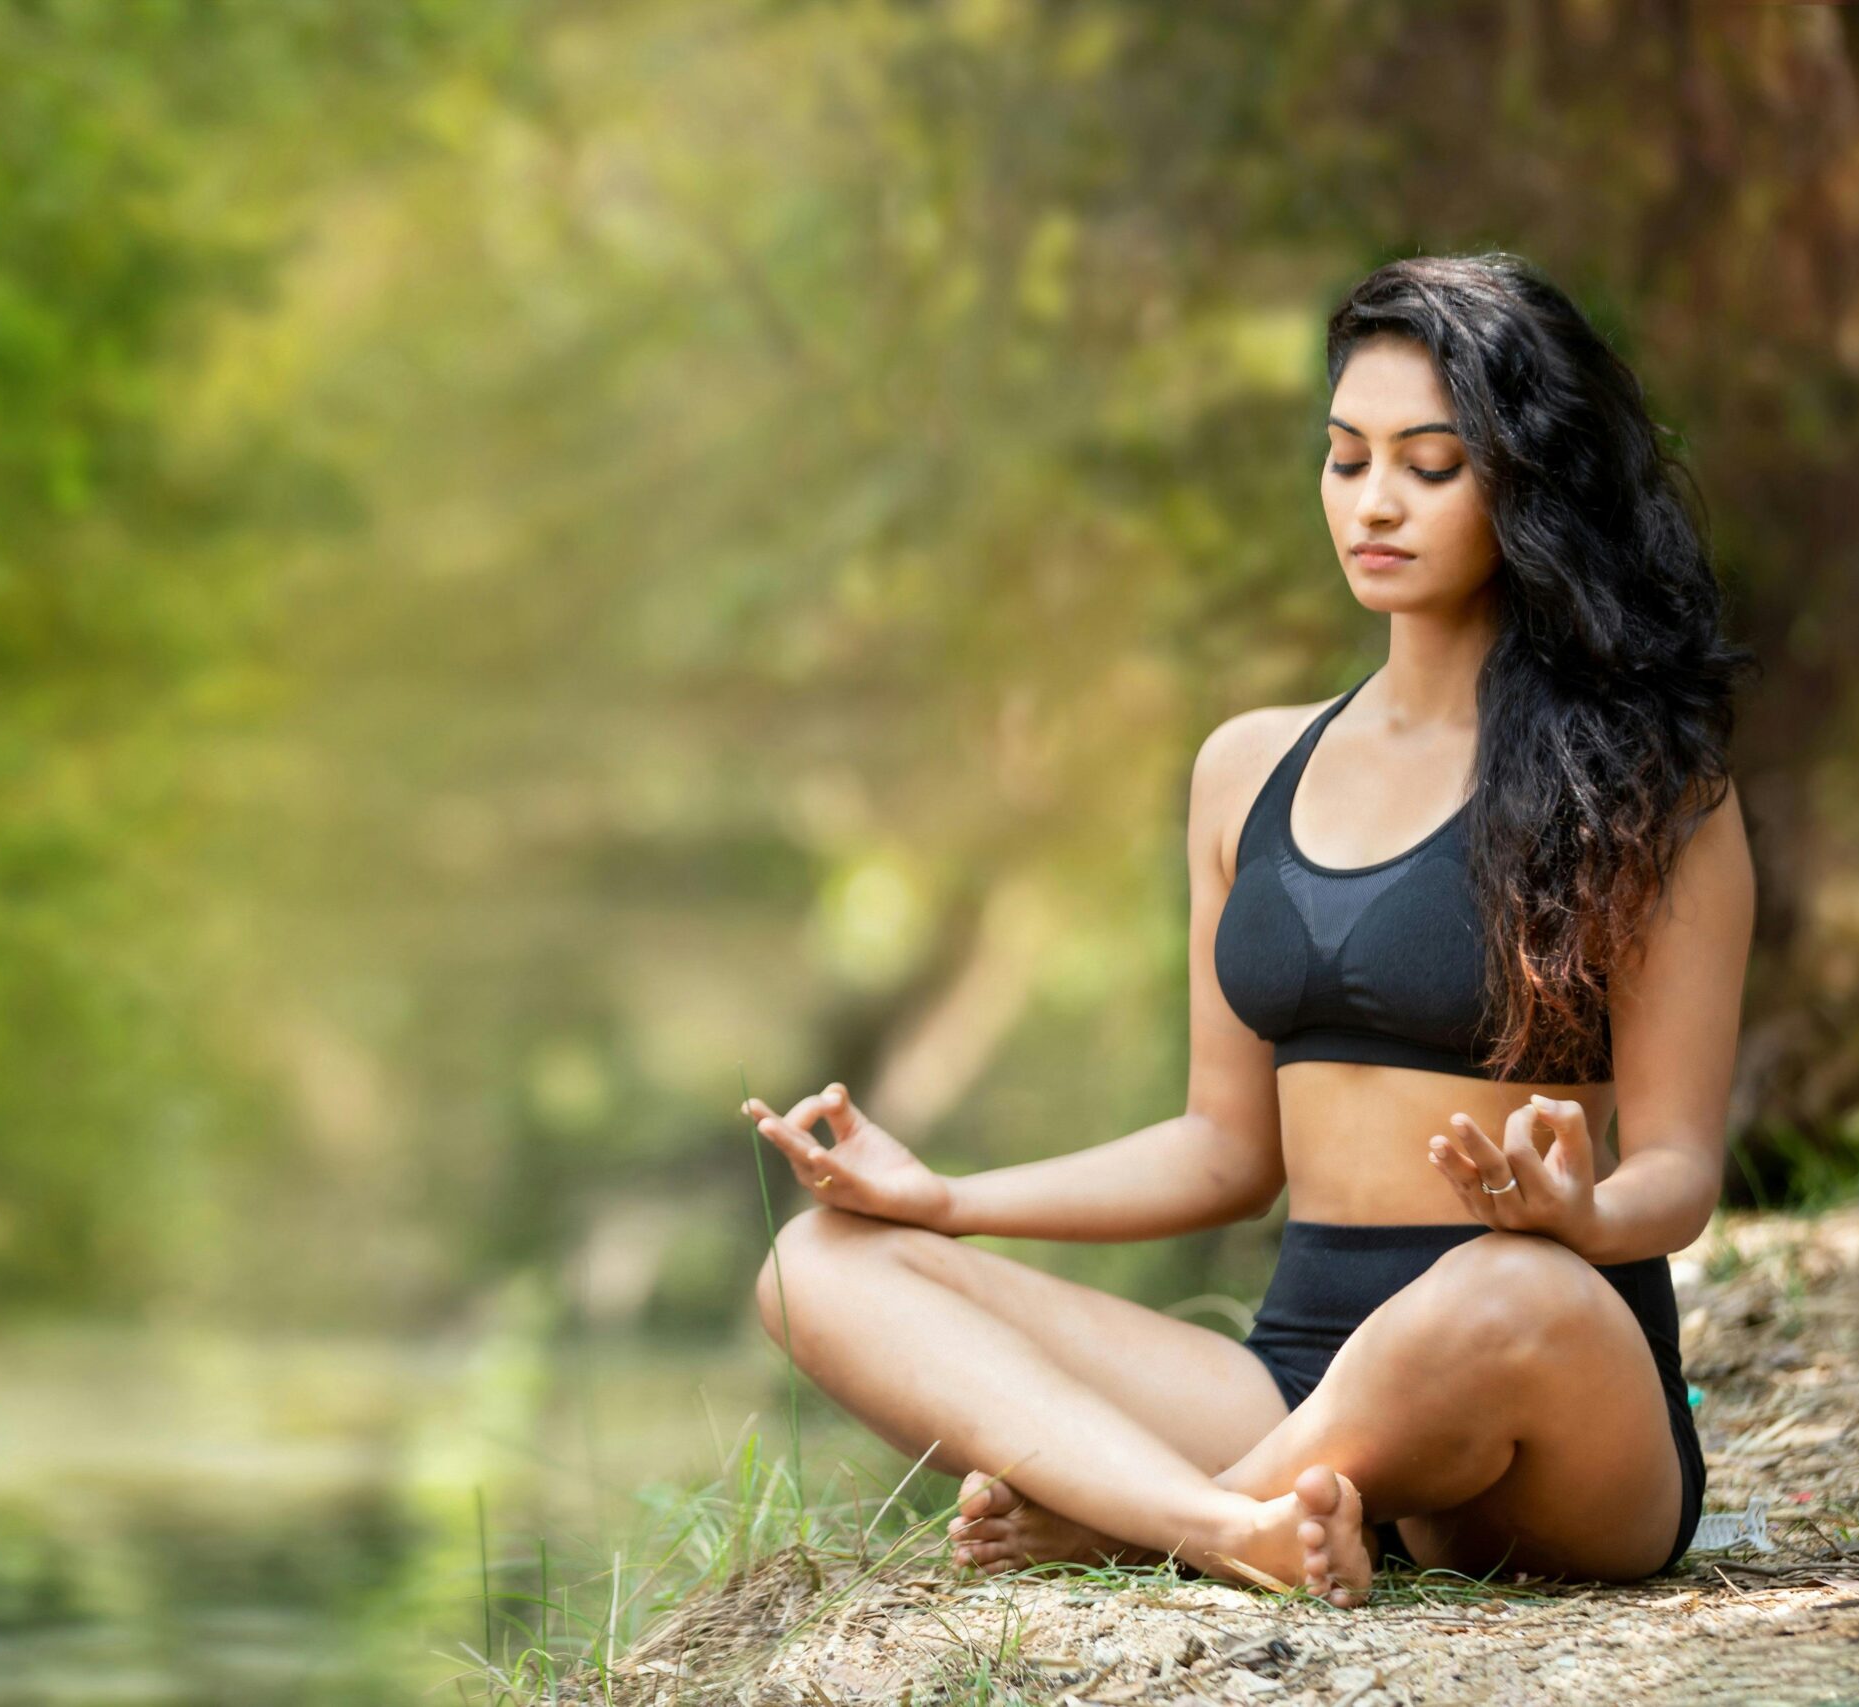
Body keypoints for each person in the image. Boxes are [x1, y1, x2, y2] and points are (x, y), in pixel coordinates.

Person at [742, 253, 1759, 1609]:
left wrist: (1581, 1215)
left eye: (1430, 464)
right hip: (1296, 1379)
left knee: (1497, 1289)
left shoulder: (1649, 788)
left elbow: (1683, 1168)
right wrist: (946, 1202)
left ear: (1529, 479)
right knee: (820, 1267)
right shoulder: (1246, 770)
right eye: (1344, 460)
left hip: (1550, 1400)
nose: (1372, 502)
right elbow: (1225, 1149)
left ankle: (1153, 1524)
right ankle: (1234, 1518)